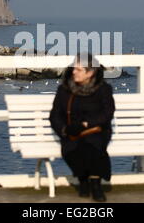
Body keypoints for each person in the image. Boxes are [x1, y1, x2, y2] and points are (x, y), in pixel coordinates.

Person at [49, 53, 115, 202]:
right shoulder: (65, 90)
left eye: (78, 69)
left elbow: (107, 113)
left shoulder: (103, 89)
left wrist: (86, 124)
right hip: (71, 132)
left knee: (93, 145)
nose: (73, 72)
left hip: (96, 130)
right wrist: (64, 130)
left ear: (90, 73)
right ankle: (83, 180)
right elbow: (55, 116)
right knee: (73, 148)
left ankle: (96, 185)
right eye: (73, 68)